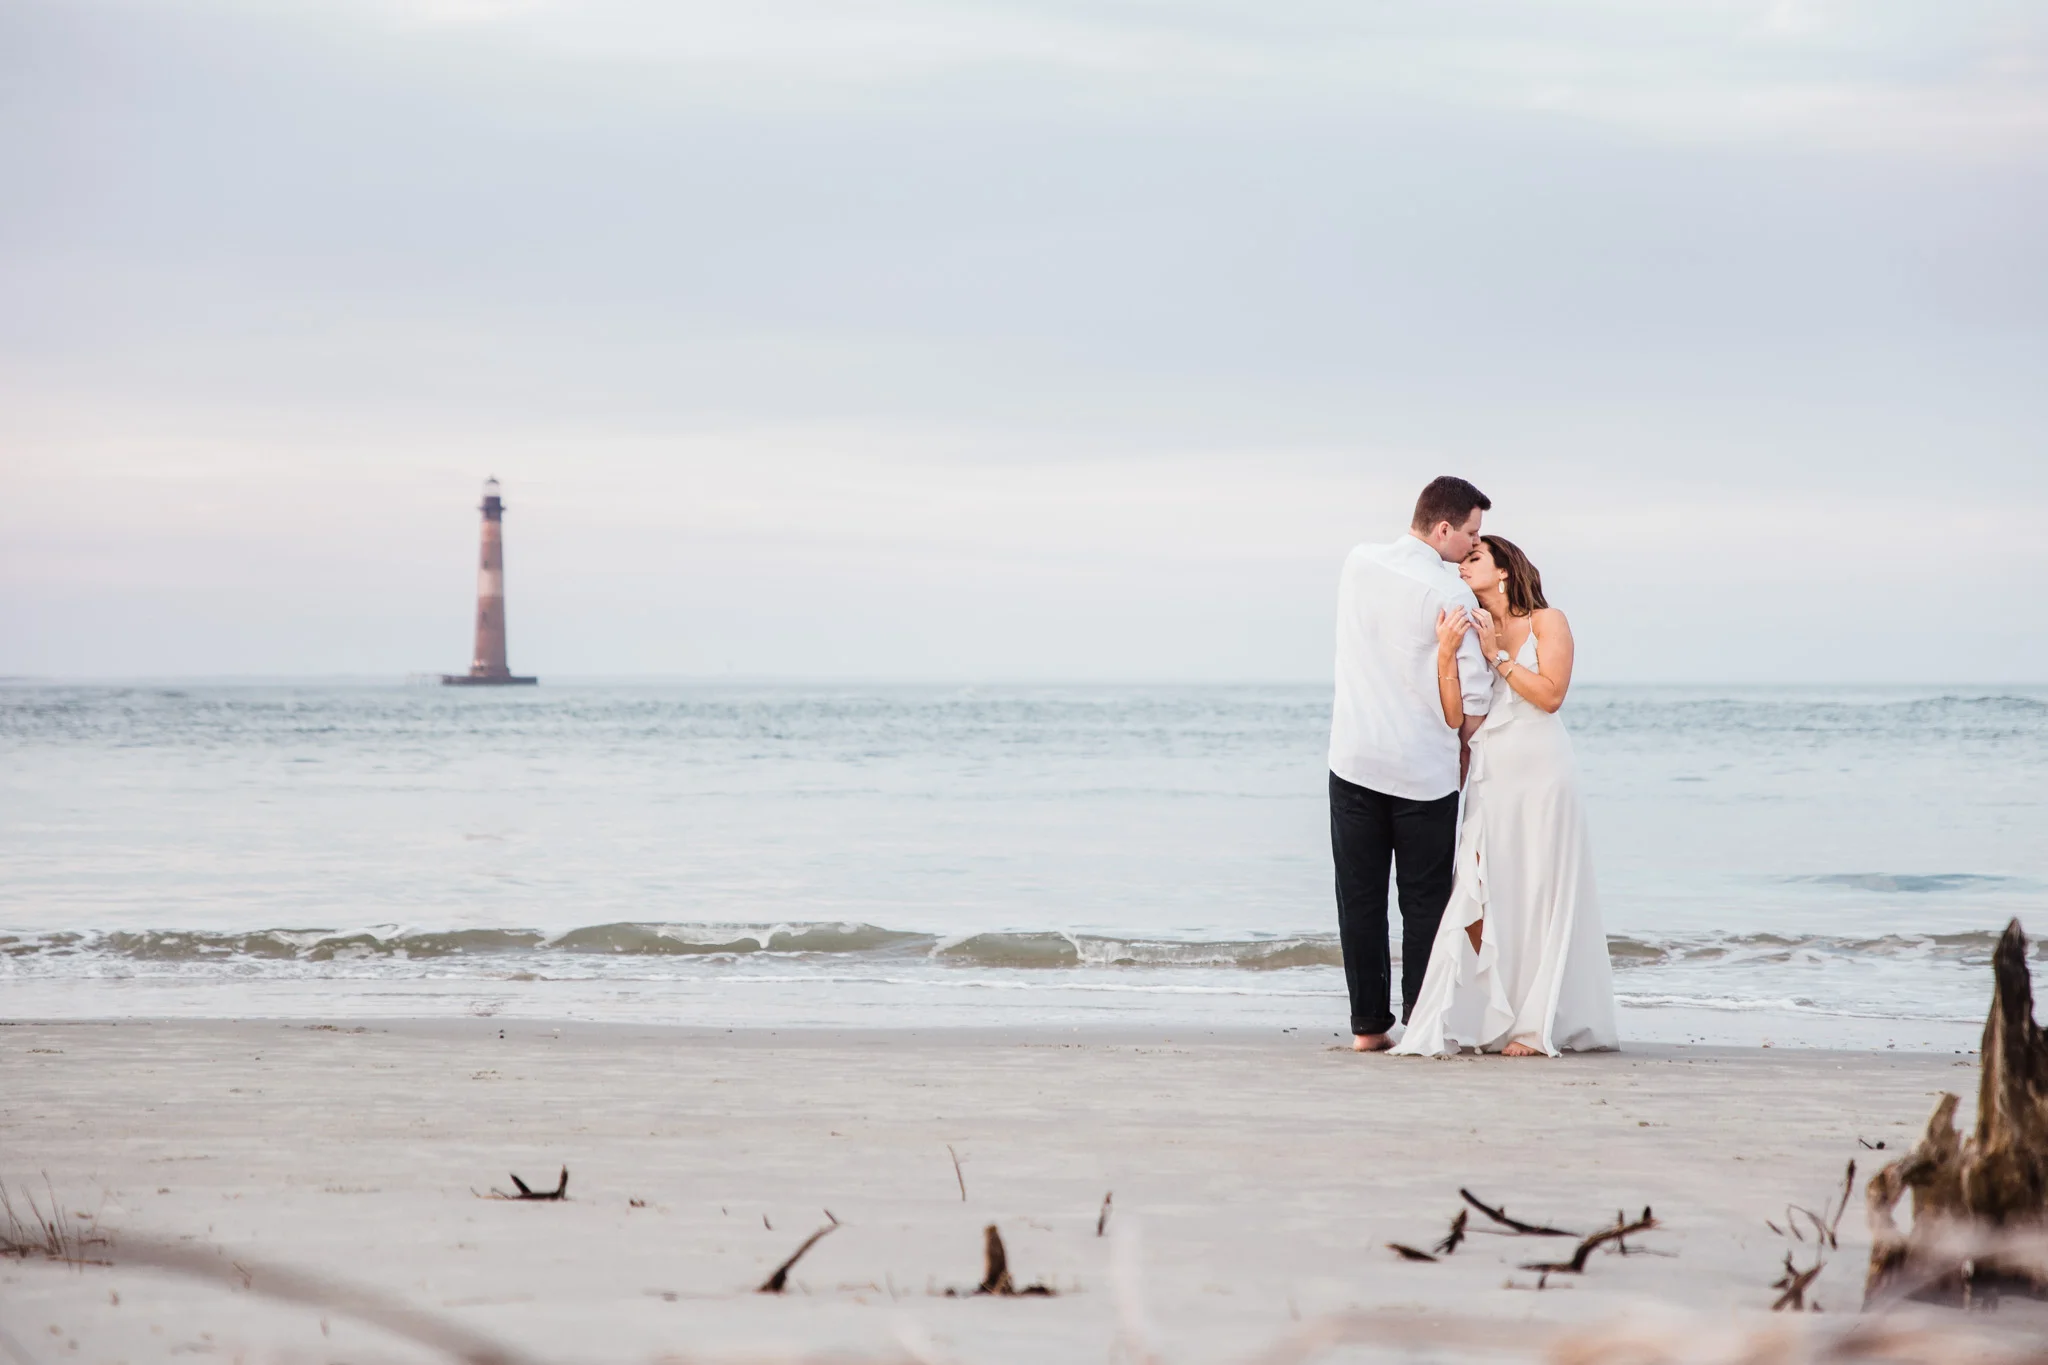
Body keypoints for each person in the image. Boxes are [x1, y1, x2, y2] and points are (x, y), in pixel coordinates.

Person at [1391, 534, 1619, 1057]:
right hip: (1492, 776)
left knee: (1540, 887)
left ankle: (1534, 1025)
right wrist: (1450, 652)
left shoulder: (1547, 621)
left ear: (1503, 571)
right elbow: (1458, 719)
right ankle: (1485, 1014)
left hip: (1543, 773)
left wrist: (1498, 656)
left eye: (1475, 558)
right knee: (1483, 888)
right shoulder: (1468, 625)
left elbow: (1551, 696)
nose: (1463, 566)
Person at [1328, 476, 1494, 1053]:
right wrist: (1467, 750)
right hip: (1423, 771)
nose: (1475, 544)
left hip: (1353, 758)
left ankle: (1368, 1027)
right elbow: (1473, 701)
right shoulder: (1454, 597)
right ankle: (1421, 1024)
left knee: (1360, 897)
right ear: (1442, 529)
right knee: (1423, 902)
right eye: (1471, 533)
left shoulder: (1357, 562)